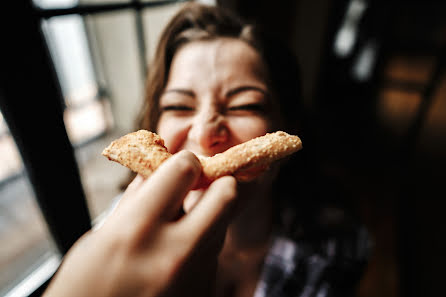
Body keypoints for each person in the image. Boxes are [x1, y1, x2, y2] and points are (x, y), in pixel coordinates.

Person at [44, 3, 370, 297]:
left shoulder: (338, 249)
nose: (203, 136)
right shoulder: (114, 237)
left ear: (288, 125)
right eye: (178, 106)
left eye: (245, 105)